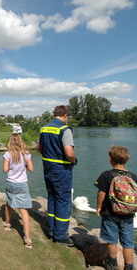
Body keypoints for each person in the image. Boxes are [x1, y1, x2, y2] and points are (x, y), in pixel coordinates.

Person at [35, 105, 77, 246]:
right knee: (64, 201)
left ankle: (51, 229)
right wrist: (74, 160)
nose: (67, 119)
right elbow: (69, 152)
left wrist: (48, 156)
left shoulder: (44, 128)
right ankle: (61, 236)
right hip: (62, 169)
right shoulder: (64, 129)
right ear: (65, 115)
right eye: (67, 117)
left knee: (52, 198)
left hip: (48, 168)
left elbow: (38, 148)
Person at [94, 146, 137, 270]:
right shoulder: (133, 176)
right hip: (128, 214)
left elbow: (101, 193)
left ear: (110, 159)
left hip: (110, 213)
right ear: (127, 160)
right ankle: (129, 266)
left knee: (112, 240)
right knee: (128, 242)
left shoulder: (106, 175)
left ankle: (112, 264)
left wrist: (98, 207)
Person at [3, 133, 34, 248]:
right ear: (21, 141)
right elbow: (31, 169)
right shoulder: (26, 154)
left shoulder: (7, 154)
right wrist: (23, 167)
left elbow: (5, 169)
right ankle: (27, 238)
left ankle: (7, 224)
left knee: (9, 203)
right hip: (22, 184)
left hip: (11, 183)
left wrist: (12, 167)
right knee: (23, 209)